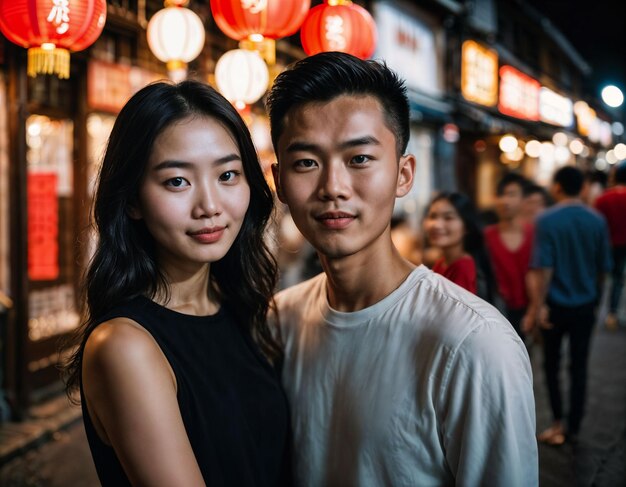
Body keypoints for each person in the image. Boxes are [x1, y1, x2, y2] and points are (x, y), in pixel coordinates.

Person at [267, 52, 537, 487]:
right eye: (306, 163)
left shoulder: (473, 344)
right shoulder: (282, 319)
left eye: (359, 159)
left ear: (403, 174)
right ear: (279, 181)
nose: (333, 187)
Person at [63, 81, 291, 486]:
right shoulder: (125, 345)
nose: (209, 206)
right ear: (132, 199)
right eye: (177, 182)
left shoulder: (239, 306)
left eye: (227, 175)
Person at [524, 166, 612, 446]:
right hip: (586, 305)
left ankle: (558, 422)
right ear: (582, 188)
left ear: (558, 187)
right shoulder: (597, 220)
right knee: (580, 365)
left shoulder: (547, 220)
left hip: (554, 306)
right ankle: (574, 425)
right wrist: (597, 300)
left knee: (551, 364)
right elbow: (603, 268)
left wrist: (538, 306)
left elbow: (544, 267)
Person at [484, 173, 534, 338]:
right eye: (500, 195)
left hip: (528, 310)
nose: (505, 201)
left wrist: (536, 308)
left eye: (511, 194)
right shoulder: (485, 237)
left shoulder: (535, 234)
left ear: (523, 199)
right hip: (495, 312)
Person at [423, 192, 487, 296]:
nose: (437, 225)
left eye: (448, 218)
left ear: (466, 226)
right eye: (433, 216)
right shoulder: (441, 262)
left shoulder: (463, 267)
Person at [595, 161, 626, 329]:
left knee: (603, 277)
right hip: (623, 244)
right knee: (618, 279)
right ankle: (612, 312)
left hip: (607, 245)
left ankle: (600, 308)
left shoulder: (603, 198)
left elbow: (597, 225)